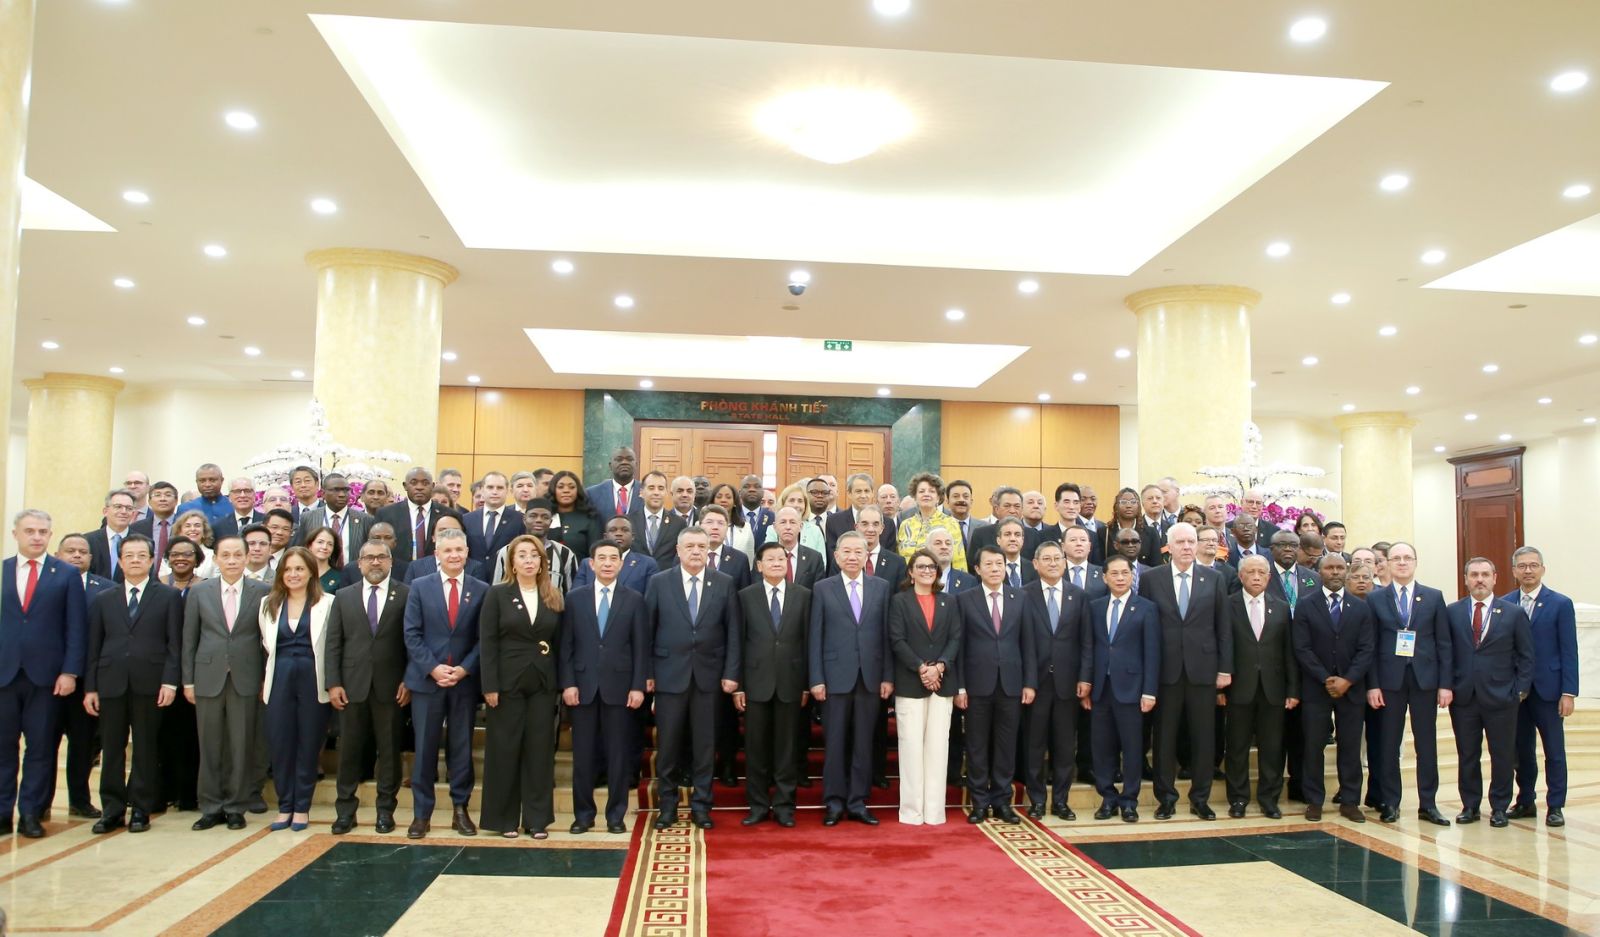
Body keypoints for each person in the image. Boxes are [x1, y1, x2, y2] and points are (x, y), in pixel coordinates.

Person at [646, 526, 740, 831]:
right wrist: (648, 674)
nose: (696, 551)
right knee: (669, 747)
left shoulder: (724, 582)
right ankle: (667, 807)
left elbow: (733, 632)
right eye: (690, 546)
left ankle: (702, 806)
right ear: (678, 550)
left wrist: (731, 673)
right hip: (669, 676)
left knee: (704, 746)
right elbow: (647, 631)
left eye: (702, 546)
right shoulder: (660, 582)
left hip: (709, 678)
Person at [85, 534, 181, 834]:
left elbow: (174, 645)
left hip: (150, 684)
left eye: (142, 555)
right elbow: (94, 646)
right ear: (121, 561)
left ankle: (141, 808)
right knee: (112, 749)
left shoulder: (168, 596)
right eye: (129, 555)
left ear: (152, 560)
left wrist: (170, 682)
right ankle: (112, 810)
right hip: (110, 683)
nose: (135, 560)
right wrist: (90, 688)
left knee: (145, 748)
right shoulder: (104, 599)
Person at [2, 510, 88, 838]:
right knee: (3, 747)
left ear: (50, 536)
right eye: (30, 531)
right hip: (4, 676)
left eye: (42, 531)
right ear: (16, 534)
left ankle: (30, 813)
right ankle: (2, 812)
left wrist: (70, 672)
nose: (36, 537)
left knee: (40, 749)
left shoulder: (65, 574)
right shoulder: (3, 570)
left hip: (47, 678)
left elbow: (76, 627)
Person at [181, 532, 271, 832]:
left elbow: (266, 640)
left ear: (246, 557)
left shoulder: (262, 591)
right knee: (209, 744)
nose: (232, 560)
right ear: (216, 559)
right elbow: (189, 639)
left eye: (237, 555)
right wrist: (187, 681)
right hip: (207, 676)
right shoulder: (199, 592)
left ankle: (235, 806)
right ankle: (210, 806)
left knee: (241, 744)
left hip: (246, 677)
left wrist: (264, 678)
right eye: (226, 555)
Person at [404, 528, 488, 839]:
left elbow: (483, 638)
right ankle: (421, 814)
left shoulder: (481, 589)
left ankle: (460, 810)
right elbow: (411, 634)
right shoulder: (419, 586)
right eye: (447, 550)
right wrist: (433, 668)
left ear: (467, 553)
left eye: (459, 550)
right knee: (425, 748)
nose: (454, 555)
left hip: (463, 683)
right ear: (436, 554)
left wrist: (464, 669)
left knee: (461, 748)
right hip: (428, 682)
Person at [479, 535, 563, 839]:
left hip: (542, 683)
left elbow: (559, 642)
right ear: (512, 562)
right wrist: (489, 685)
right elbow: (487, 642)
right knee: (504, 749)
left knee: (539, 750)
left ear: (542, 562)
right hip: (506, 683)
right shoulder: (497, 594)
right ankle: (503, 819)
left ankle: (537, 819)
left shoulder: (552, 595)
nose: (529, 560)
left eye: (534, 555)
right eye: (522, 555)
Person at [561, 539, 647, 835]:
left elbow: (640, 647)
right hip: (582, 687)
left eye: (613, 558)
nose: (608, 563)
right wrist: (568, 683)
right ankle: (583, 816)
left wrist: (638, 686)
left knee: (618, 755)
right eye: (602, 558)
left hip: (620, 688)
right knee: (583, 756)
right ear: (591, 564)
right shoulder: (575, 599)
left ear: (621, 564)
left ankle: (615, 815)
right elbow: (566, 646)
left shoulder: (634, 599)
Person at [325, 539, 410, 835]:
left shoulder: (406, 594)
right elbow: (333, 643)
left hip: (392, 687)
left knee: (389, 752)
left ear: (391, 562)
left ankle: (385, 811)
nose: (376, 562)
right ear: (359, 563)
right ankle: (345, 812)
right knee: (349, 752)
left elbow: (412, 641)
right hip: (351, 686)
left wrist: (409, 679)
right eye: (369, 557)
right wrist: (333, 683)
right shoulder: (343, 596)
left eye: (381, 557)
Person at [1366, 541, 1453, 826]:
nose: (1402, 563)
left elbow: (1443, 643)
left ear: (1415, 562)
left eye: (1407, 558)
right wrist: (1373, 685)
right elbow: (1370, 645)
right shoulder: (1375, 599)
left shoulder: (1433, 596)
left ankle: (1428, 804)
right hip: (1388, 681)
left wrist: (1445, 684)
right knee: (1389, 744)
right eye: (1396, 558)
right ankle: (1391, 802)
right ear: (1388, 564)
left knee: (1426, 744)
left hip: (1424, 679)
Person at [809, 530, 891, 827]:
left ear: (867, 555)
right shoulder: (822, 588)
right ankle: (833, 802)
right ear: (836, 556)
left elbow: (886, 635)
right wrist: (816, 678)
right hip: (834, 678)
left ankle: (857, 801)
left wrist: (887, 676)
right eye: (847, 551)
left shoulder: (881, 587)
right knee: (835, 743)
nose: (853, 556)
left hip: (870, 677)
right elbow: (815, 636)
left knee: (863, 743)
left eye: (858, 552)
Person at [1448, 557, 1534, 828]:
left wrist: (1520, 690)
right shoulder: (1452, 612)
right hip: (1464, 697)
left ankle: (1499, 806)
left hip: (1502, 697)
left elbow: (1526, 655)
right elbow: (1446, 652)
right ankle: (1470, 805)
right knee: (1467, 754)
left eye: (1485, 574)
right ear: (1466, 579)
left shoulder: (1513, 613)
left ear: (1495, 578)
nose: (1479, 580)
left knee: (1502, 755)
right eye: (1474, 574)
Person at [734, 542, 813, 827]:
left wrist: (807, 684)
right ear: (759, 565)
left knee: (786, 748)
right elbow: (738, 641)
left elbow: (808, 641)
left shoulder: (803, 595)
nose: (777, 563)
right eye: (770, 559)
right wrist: (739, 685)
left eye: (781, 558)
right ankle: (757, 805)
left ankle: (784, 806)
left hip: (791, 681)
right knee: (756, 748)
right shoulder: (745, 596)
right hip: (756, 683)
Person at [1292, 554, 1374, 823]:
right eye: (1330, 568)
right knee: (1313, 745)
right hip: (1316, 688)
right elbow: (1301, 648)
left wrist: (1347, 680)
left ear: (1346, 571)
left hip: (1352, 688)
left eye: (1340, 567)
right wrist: (1326, 678)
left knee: (1349, 746)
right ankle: (1314, 800)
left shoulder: (1360, 607)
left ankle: (1350, 801)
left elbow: (1366, 649)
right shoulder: (1305, 605)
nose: (1335, 572)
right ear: (1320, 571)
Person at [956, 544, 1035, 824]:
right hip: (976, 685)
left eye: (999, 564)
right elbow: (959, 647)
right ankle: (979, 802)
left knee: (1006, 745)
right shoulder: (964, 599)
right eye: (988, 564)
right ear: (977, 569)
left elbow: (1028, 643)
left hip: (1011, 685)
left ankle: (1002, 801)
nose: (994, 569)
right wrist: (960, 687)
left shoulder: (1020, 597)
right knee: (976, 745)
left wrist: (1029, 683)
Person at [258, 546, 332, 832]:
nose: (293, 574)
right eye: (288, 569)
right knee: (280, 744)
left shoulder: (328, 603)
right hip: (280, 678)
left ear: (311, 572)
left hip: (313, 679)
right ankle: (284, 806)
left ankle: (301, 807)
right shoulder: (268, 603)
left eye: (299, 568)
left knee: (308, 744)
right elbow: (265, 646)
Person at [1079, 554, 1158, 822]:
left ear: (1132, 576)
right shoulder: (1095, 607)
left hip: (1133, 690)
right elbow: (1088, 647)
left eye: (1125, 573)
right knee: (1101, 748)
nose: (1120, 578)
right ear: (1104, 577)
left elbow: (1152, 652)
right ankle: (1108, 798)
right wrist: (1087, 684)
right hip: (1101, 689)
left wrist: (1149, 691)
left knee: (1132, 748)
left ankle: (1129, 801)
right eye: (1114, 573)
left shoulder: (1146, 608)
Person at [887, 548, 960, 826]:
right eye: (921, 566)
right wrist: (921, 668)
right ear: (911, 571)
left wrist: (939, 667)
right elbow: (897, 640)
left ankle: (934, 811)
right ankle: (912, 811)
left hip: (942, 683)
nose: (927, 571)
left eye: (931, 567)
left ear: (938, 572)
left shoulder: (949, 601)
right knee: (911, 748)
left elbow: (955, 638)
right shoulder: (899, 601)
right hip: (910, 683)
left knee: (938, 749)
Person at [1505, 546, 1577, 826]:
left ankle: (1555, 805)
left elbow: (1569, 650)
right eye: (1522, 566)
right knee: (1521, 751)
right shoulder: (1505, 603)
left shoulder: (1560, 603)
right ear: (1514, 571)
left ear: (1543, 569)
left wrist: (1568, 692)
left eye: (1533, 565)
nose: (1528, 571)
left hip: (1549, 690)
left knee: (1554, 751)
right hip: (1517, 691)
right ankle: (1525, 800)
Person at [1223, 555, 1297, 819]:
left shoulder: (1281, 607)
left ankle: (1269, 799)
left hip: (1273, 689)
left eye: (1261, 572)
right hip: (1238, 688)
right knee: (1237, 747)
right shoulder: (1227, 605)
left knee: (1272, 747)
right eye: (1250, 572)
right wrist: (1220, 687)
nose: (1256, 577)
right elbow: (1222, 646)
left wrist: (1293, 689)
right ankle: (1238, 798)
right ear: (1240, 576)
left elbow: (1289, 652)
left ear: (1269, 577)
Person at [45, 533, 113, 820]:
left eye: (82, 552)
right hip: (47, 680)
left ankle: (80, 800)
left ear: (90, 558)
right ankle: (40, 802)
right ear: (58, 555)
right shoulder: (44, 585)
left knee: (83, 744)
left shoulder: (106, 590)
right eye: (70, 550)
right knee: (44, 744)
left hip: (87, 681)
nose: (76, 555)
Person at [1021, 540, 1088, 820]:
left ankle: (1061, 801)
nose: (1052, 563)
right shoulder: (1023, 594)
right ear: (1035, 564)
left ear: (1065, 562)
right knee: (1034, 745)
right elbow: (1021, 642)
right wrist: (1027, 681)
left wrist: (1085, 678)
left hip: (1067, 683)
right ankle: (1037, 799)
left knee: (1064, 746)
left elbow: (1086, 641)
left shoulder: (1078, 595)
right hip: (1035, 684)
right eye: (1046, 559)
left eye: (1057, 558)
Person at [293, 473, 371, 566]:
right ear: (323, 494)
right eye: (336, 490)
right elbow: (302, 549)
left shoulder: (365, 519)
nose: (342, 494)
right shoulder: (308, 517)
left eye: (346, 490)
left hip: (353, 573)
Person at [896, 473, 967, 571]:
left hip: (937, 577)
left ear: (938, 497)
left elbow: (959, 560)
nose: (926, 494)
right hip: (907, 578)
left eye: (931, 491)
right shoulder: (905, 525)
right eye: (921, 491)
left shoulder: (950, 523)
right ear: (915, 497)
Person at [573, 515, 658, 593]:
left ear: (632, 537)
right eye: (613, 530)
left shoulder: (647, 564)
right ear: (605, 537)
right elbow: (576, 597)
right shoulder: (587, 564)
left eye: (625, 530)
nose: (619, 534)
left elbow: (650, 598)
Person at [377, 467, 440, 563]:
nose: (419, 487)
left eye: (425, 483)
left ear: (433, 486)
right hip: (397, 570)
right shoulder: (386, 514)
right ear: (405, 486)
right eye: (414, 483)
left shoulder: (446, 514)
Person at [407, 512, 487, 583]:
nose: (448, 535)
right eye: (443, 531)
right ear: (433, 537)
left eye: (455, 531)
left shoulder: (475, 568)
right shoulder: (416, 567)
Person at [629, 471, 686, 566]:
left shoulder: (679, 523)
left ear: (666, 492)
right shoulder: (629, 521)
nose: (656, 493)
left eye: (661, 488)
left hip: (667, 574)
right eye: (651, 488)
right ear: (641, 492)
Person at [85, 488, 139, 581]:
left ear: (133, 514)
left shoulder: (141, 542)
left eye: (129, 508)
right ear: (105, 511)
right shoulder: (88, 540)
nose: (124, 511)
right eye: (118, 507)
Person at [548, 470, 603, 560]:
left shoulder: (589, 517)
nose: (566, 491)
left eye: (571, 487)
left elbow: (595, 552)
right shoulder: (545, 516)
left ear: (578, 490)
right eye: (561, 487)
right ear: (553, 490)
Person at [1097, 487, 1158, 569]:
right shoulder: (1104, 532)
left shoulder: (1151, 533)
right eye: (1124, 502)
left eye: (1133, 502)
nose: (1128, 506)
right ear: (1116, 506)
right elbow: (1099, 565)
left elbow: (1156, 566)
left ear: (1139, 506)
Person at [769, 507, 826, 589]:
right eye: (783, 522)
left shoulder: (814, 558)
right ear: (774, 527)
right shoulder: (764, 557)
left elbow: (819, 591)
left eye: (792, 522)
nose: (788, 527)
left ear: (801, 526)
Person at [765, 483, 825, 555]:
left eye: (800, 501)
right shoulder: (772, 529)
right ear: (783, 504)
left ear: (805, 505)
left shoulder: (815, 531)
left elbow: (821, 560)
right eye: (791, 500)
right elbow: (769, 556)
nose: (796, 505)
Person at [586, 447, 641, 519]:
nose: (624, 462)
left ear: (636, 465)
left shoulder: (646, 492)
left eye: (629, 459)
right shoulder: (592, 494)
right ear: (610, 465)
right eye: (619, 459)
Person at [711, 483, 756, 561]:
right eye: (719, 497)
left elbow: (749, 559)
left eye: (728, 497)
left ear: (735, 502)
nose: (723, 500)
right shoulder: (701, 525)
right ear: (712, 501)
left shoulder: (746, 527)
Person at [303, 526, 346, 595]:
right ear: (310, 546)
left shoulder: (340, 577)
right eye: (320, 542)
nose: (325, 547)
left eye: (330, 544)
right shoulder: (299, 572)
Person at [739, 474, 775, 546]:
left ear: (763, 492)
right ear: (740, 493)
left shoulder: (772, 517)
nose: (752, 490)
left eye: (757, 487)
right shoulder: (733, 514)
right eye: (746, 486)